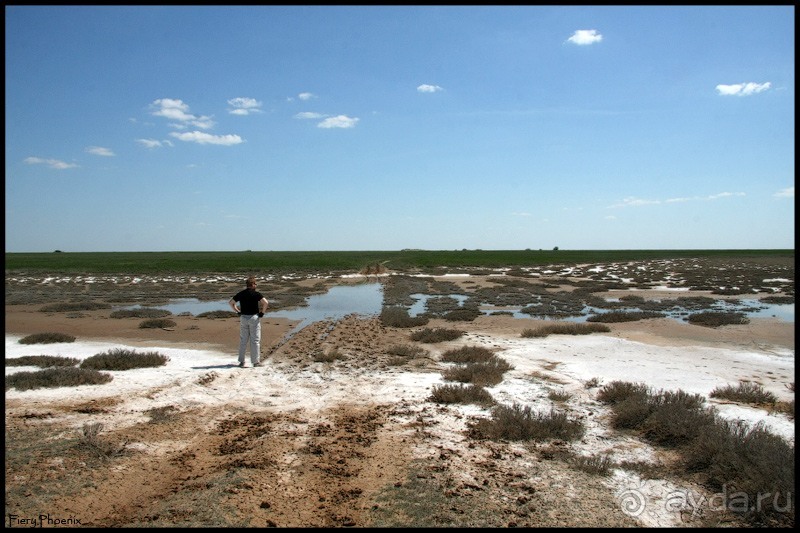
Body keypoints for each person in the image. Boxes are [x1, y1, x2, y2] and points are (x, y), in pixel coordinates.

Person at [229, 276, 269, 368]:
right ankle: (255, 361)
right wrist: (262, 313)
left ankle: (241, 361)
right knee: (255, 340)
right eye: (255, 284)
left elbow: (231, 302)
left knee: (243, 340)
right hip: (253, 317)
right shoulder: (256, 294)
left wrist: (237, 311)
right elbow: (265, 303)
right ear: (253, 285)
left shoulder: (241, 294)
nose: (256, 285)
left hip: (243, 317)